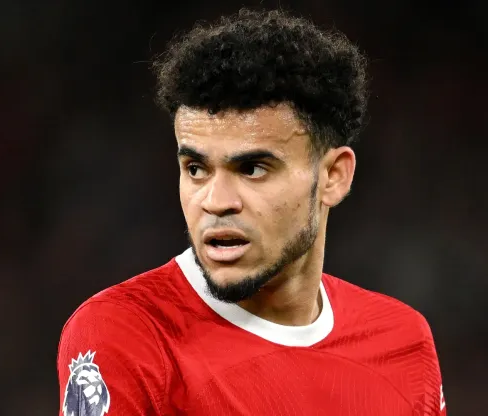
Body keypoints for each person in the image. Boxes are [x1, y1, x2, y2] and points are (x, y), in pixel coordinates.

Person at [57, 8, 447, 415]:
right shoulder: (128, 333)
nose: (216, 201)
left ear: (333, 176)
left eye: (252, 169)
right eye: (196, 169)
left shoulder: (403, 340)